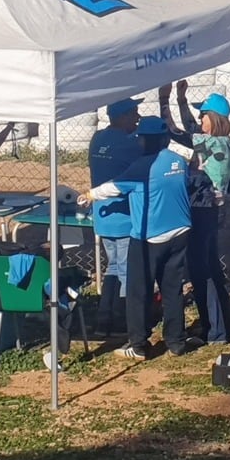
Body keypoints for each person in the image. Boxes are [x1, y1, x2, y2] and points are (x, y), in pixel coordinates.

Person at [81, 115, 195, 359]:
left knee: (138, 291)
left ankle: (139, 344)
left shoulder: (142, 167)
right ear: (165, 139)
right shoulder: (178, 161)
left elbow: (113, 187)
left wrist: (90, 194)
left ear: (144, 140)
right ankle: (176, 342)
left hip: (149, 236)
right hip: (180, 230)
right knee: (172, 289)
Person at [170, 84, 230, 344]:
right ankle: (218, 326)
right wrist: (180, 99)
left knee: (202, 272)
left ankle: (215, 331)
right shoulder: (219, 142)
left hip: (202, 213)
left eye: (203, 115)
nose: (199, 120)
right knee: (210, 270)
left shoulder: (211, 143)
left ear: (215, 118)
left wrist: (165, 102)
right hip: (209, 212)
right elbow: (190, 127)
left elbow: (177, 132)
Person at [87, 99, 144, 333]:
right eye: (133, 114)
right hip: (123, 216)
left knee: (113, 265)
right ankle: (123, 318)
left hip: (102, 215)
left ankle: (104, 317)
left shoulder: (97, 138)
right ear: (121, 117)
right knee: (126, 268)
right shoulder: (129, 144)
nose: (138, 118)